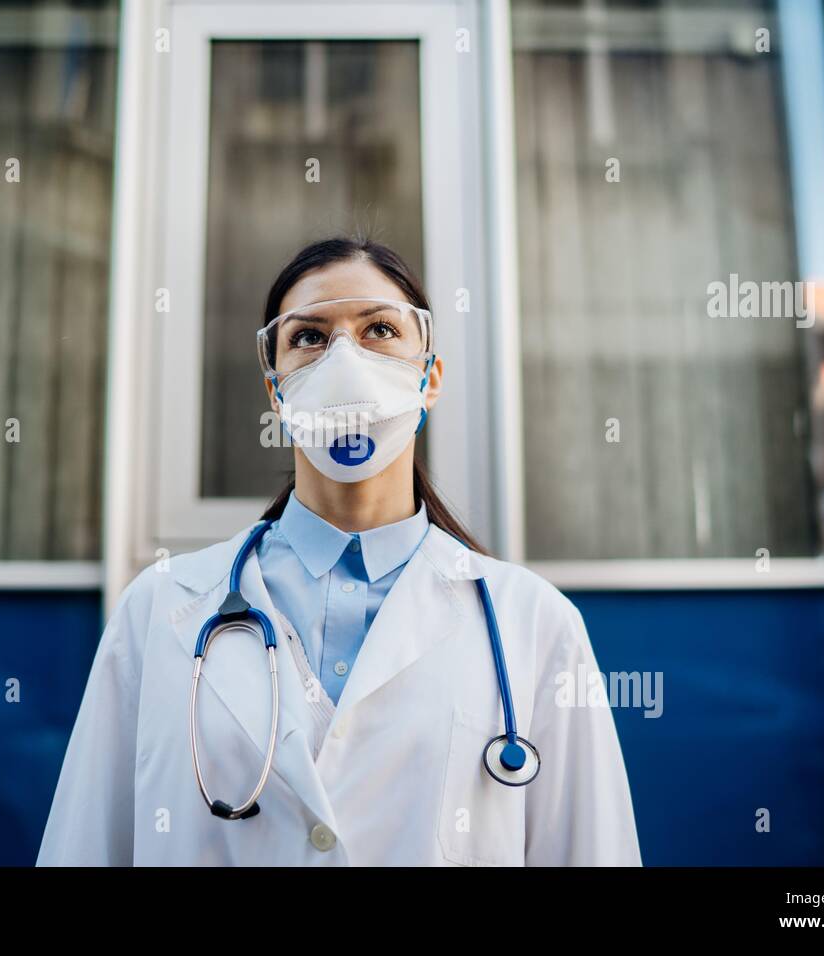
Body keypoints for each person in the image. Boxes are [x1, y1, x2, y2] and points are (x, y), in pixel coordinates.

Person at [37, 237, 642, 866]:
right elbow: (83, 845)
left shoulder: (534, 624)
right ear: (276, 390)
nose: (345, 361)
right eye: (310, 338)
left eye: (379, 329)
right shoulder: (161, 610)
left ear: (429, 377)